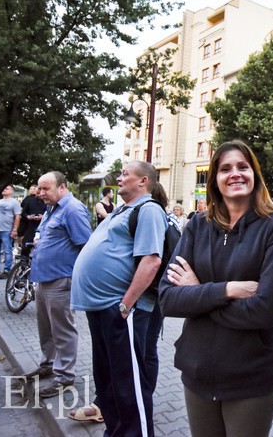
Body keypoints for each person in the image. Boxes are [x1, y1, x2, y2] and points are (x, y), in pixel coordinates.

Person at [159, 140, 273, 437]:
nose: (235, 174)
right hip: (196, 375)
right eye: (225, 169)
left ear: (254, 174)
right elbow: (167, 299)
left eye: (243, 167)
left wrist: (197, 293)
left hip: (250, 378)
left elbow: (263, 312)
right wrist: (226, 290)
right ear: (215, 180)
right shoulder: (196, 225)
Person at [71, 161, 168, 435]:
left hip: (121, 310)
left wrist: (126, 305)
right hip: (102, 308)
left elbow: (151, 260)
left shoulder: (148, 210)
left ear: (143, 181)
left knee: (128, 386)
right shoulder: (124, 210)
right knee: (108, 381)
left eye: (126, 174)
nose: (119, 177)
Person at [25, 171, 92, 398]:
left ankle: (64, 377)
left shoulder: (72, 209)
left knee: (62, 329)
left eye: (46, 189)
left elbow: (86, 246)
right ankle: (49, 365)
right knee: (46, 327)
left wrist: (81, 280)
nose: (40, 193)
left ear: (62, 187)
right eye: (39, 188)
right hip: (44, 278)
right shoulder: (52, 208)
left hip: (61, 279)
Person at [0, 184, 22, 278]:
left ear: (12, 191)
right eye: (3, 188)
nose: (4, 190)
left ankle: (7, 269)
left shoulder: (14, 202)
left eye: (7, 188)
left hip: (7, 229)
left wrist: (15, 229)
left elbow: (17, 216)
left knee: (7, 251)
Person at [18, 184, 45, 255]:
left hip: (43, 227)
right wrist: (28, 216)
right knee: (25, 247)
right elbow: (23, 212)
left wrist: (43, 217)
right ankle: (24, 263)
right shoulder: (30, 201)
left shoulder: (48, 202)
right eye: (37, 193)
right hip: (31, 227)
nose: (39, 195)